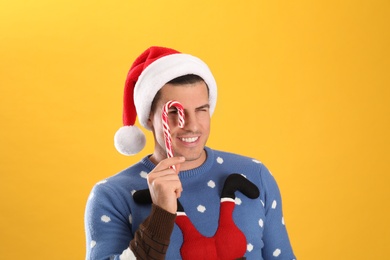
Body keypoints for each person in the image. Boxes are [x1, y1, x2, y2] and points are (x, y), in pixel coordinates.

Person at [85, 46, 296, 260]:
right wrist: (160, 216)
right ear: (149, 116)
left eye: (201, 110)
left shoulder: (254, 175)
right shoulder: (112, 195)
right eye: (174, 111)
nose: (192, 126)